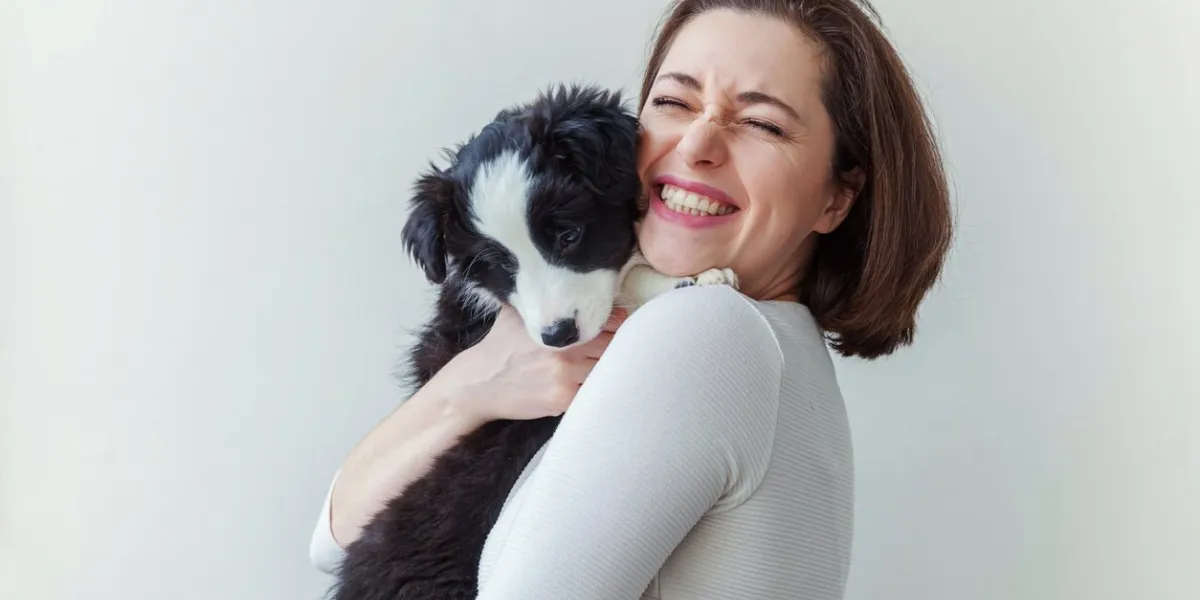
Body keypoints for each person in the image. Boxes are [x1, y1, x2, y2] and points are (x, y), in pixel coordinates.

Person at [309, 0, 953, 598]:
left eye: (762, 123)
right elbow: (335, 539)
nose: (696, 146)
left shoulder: (708, 328)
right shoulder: (774, 348)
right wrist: (469, 387)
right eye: (673, 101)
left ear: (838, 196)